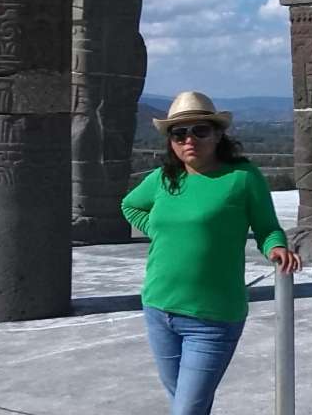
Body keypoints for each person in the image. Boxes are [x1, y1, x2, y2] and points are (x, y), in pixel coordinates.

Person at [121, 91, 302, 415]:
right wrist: (160, 230)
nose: (189, 139)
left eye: (199, 130)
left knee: (187, 410)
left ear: (218, 134)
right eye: (179, 133)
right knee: (186, 406)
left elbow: (267, 227)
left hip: (213, 318)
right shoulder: (164, 178)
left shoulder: (242, 177)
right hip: (159, 309)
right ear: (171, 141)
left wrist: (275, 248)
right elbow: (130, 205)